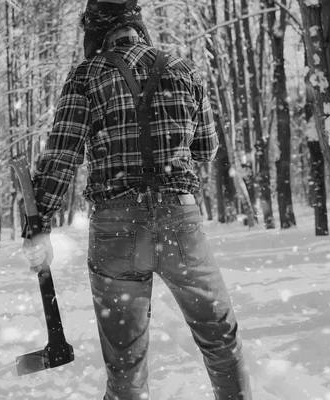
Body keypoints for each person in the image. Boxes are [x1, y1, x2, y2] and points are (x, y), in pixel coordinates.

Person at [22, 1, 252, 399]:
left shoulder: (85, 77)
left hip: (116, 229)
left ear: (96, 31)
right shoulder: (184, 69)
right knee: (220, 339)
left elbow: (62, 158)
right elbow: (207, 149)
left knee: (125, 364)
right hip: (180, 223)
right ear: (137, 25)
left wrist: (37, 222)